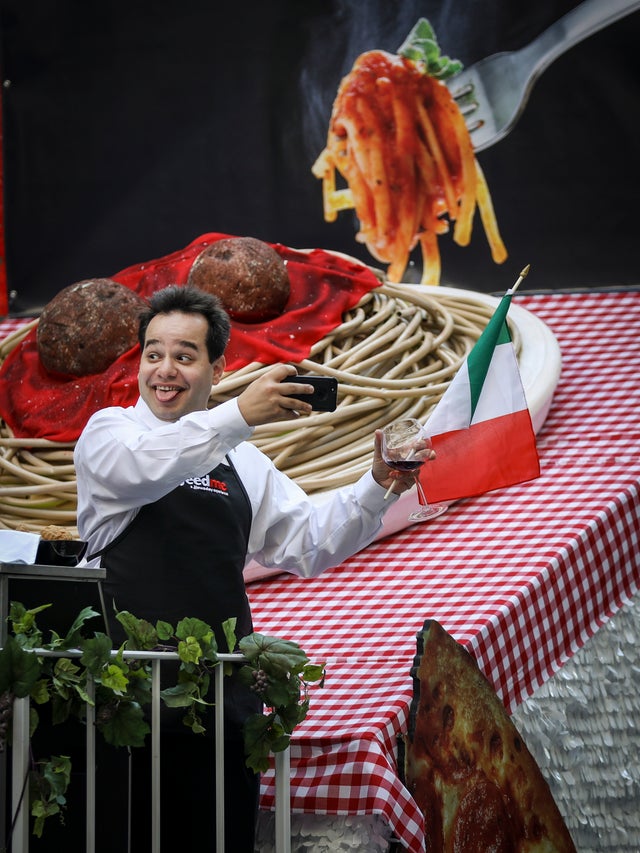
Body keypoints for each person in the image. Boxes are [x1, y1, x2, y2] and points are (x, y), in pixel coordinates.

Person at [72, 283, 431, 851]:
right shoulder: (111, 434)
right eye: (153, 353)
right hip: (127, 698)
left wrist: (379, 485)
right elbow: (146, 468)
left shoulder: (242, 457)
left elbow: (309, 540)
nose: (165, 370)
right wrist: (239, 414)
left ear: (217, 366)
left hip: (222, 698)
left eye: (185, 356)